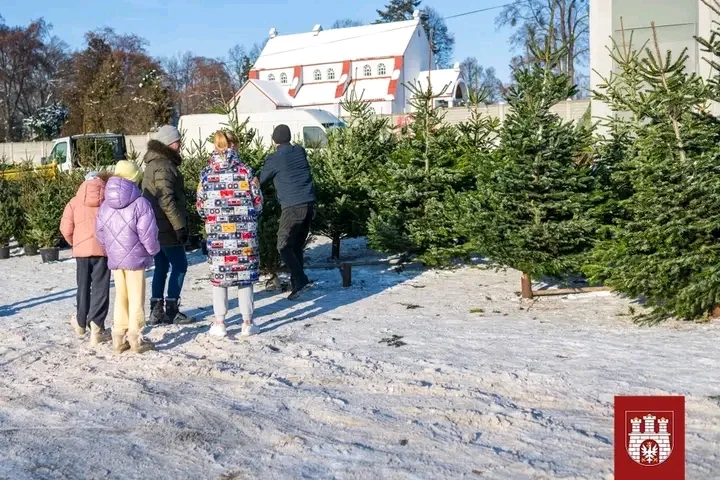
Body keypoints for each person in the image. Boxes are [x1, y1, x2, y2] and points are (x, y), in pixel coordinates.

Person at [197, 131, 264, 337]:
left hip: (219, 238)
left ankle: (220, 323)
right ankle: (247, 322)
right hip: (244, 237)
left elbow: (200, 207)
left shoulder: (206, 174)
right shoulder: (246, 172)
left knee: (220, 278)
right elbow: (258, 203)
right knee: (244, 278)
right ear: (235, 146)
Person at [96, 161, 160, 354]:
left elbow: (100, 232)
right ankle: (135, 336)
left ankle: (118, 335)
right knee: (136, 296)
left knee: (121, 296)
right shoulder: (140, 203)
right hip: (136, 258)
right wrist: (153, 250)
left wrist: (110, 249)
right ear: (134, 178)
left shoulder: (105, 204)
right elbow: (147, 233)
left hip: (115, 258)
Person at [141, 125, 194, 325]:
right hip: (166, 225)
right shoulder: (164, 166)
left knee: (162, 266)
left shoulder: (153, 163)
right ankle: (171, 309)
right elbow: (166, 199)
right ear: (170, 143)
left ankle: (156, 311)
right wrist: (179, 227)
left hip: (154, 225)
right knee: (180, 265)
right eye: (178, 141)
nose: (180, 145)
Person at [259, 124, 316, 300]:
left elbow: (259, 181)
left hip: (292, 207)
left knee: (283, 246)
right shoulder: (299, 151)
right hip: (310, 205)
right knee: (296, 245)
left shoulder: (274, 159)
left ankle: (301, 280)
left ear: (274, 140)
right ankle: (297, 284)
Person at [60, 171, 111, 345]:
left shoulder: (74, 202)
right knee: (101, 288)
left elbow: (65, 228)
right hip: (103, 250)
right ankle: (97, 326)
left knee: (82, 286)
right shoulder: (108, 201)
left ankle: (81, 322)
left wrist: (75, 243)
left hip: (81, 252)